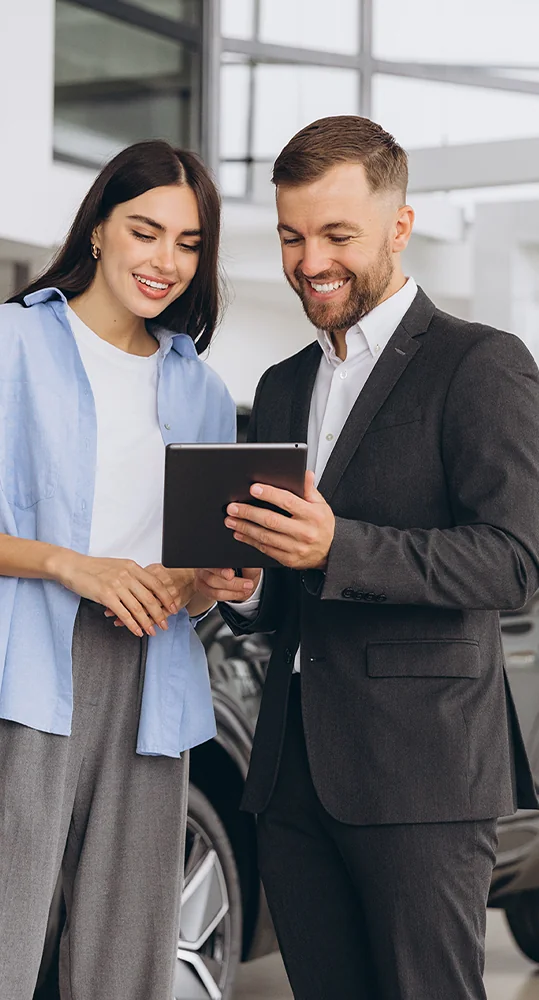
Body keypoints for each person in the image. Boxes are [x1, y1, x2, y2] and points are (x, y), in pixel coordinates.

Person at [195, 115, 539, 1000]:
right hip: (289, 772)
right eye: (291, 235)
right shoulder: (280, 385)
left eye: (337, 234)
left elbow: (512, 562)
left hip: (421, 772)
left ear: (398, 226)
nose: (311, 261)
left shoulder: (480, 365)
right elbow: (279, 593)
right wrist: (242, 589)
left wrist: (337, 545)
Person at [0, 139, 235, 1000]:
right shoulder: (12, 343)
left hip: (153, 677)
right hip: (24, 666)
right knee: (6, 931)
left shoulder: (201, 388)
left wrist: (212, 579)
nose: (165, 261)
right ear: (99, 229)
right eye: (146, 231)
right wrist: (74, 566)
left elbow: (194, 569)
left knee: (128, 952)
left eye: (188, 243)